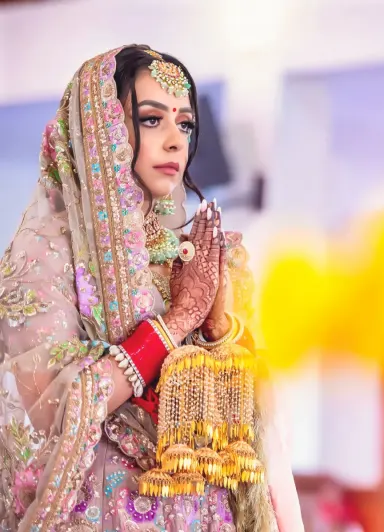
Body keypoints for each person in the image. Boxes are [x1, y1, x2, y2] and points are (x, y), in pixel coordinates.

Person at [0, 45, 303, 531]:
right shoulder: (49, 248)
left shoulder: (193, 254)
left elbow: (256, 429)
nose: (175, 142)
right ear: (103, 129)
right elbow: (51, 408)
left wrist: (218, 326)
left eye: (184, 124)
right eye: (151, 120)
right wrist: (177, 322)